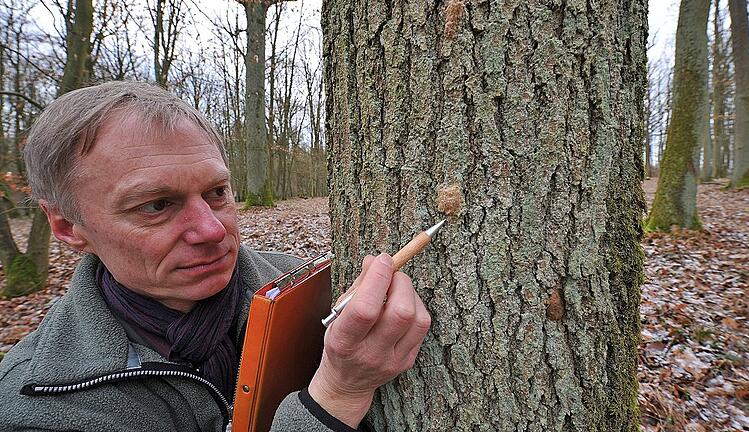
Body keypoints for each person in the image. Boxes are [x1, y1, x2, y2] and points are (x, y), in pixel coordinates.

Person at [0, 81, 432, 431]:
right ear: (67, 227)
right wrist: (338, 395)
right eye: (156, 206)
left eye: (217, 192)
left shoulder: (306, 283)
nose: (211, 229)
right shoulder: (39, 404)